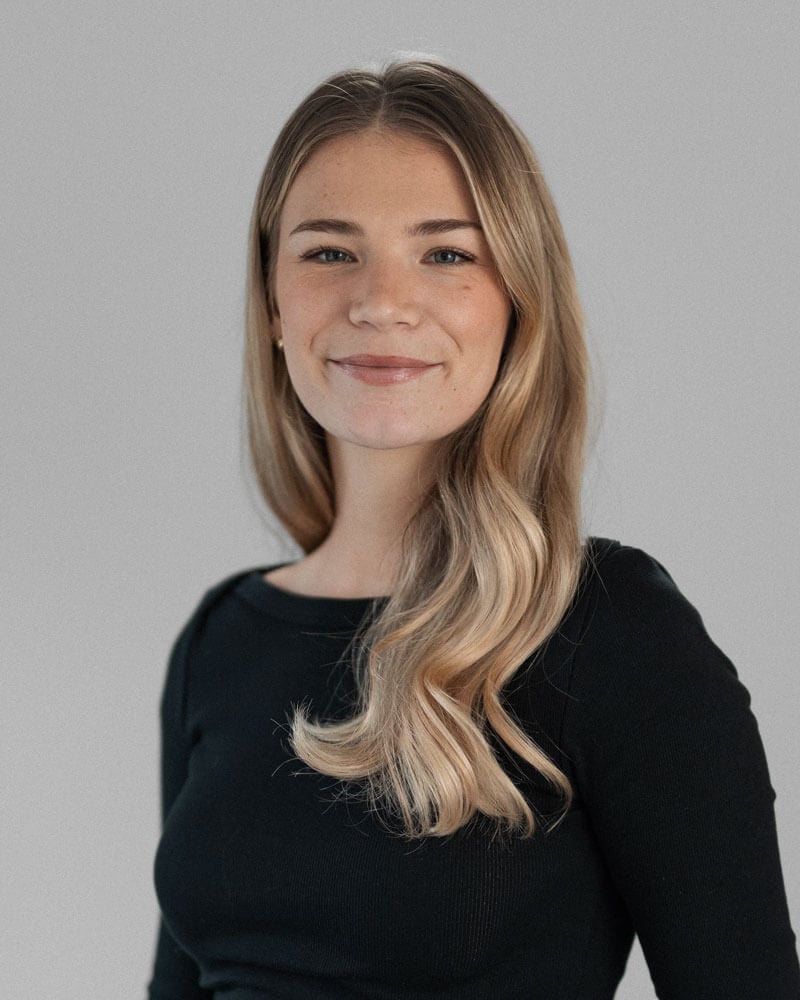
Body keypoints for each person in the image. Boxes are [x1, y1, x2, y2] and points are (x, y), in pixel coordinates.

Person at [148, 60, 799, 999]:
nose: (380, 299)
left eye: (447, 253)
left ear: (517, 302)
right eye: (329, 251)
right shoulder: (220, 641)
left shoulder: (610, 632)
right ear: (274, 304)